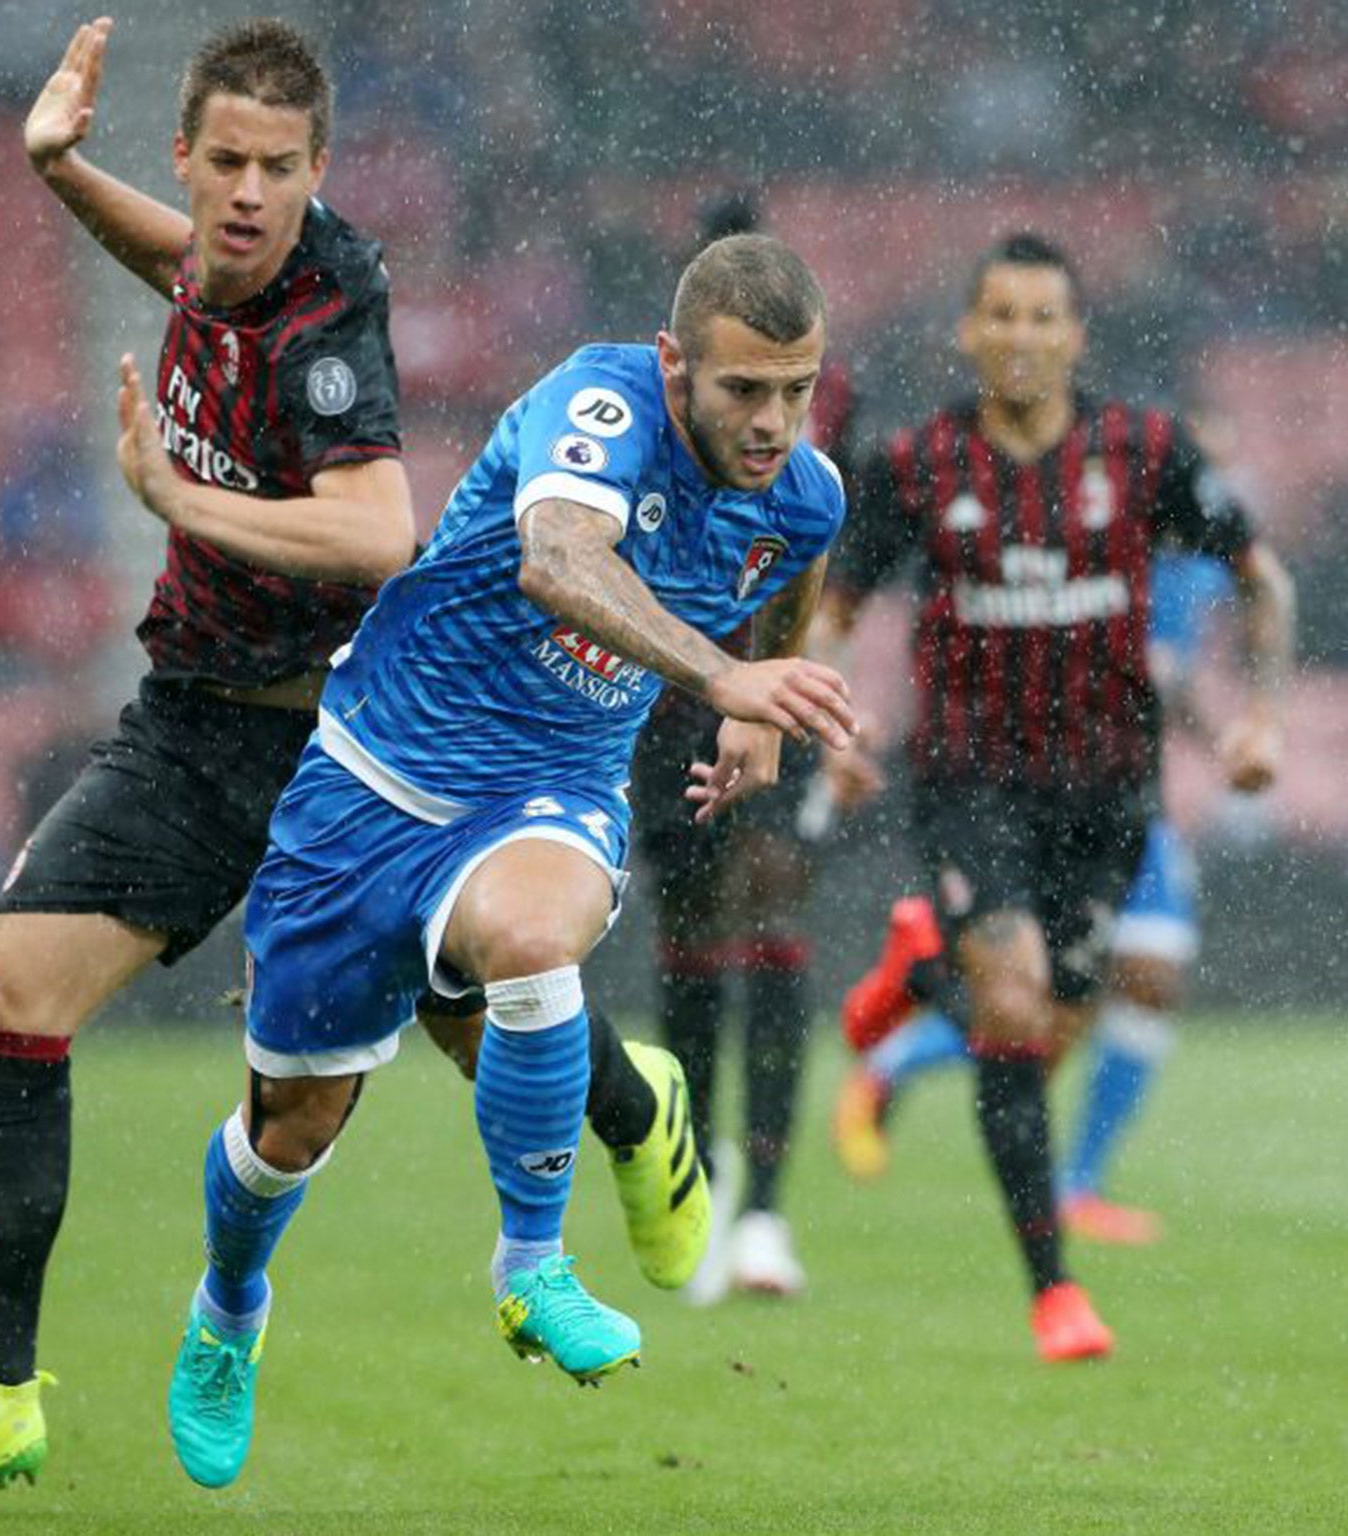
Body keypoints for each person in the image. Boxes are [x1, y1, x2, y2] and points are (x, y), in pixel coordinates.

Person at [0, 18, 700, 1507]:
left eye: (276, 170)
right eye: (223, 162)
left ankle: (641, 1114)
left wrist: (176, 496)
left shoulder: (331, 319)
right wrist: (57, 175)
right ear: (186, 153)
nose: (244, 193)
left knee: (458, 1047)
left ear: (321, 173)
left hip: (360, 750)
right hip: (194, 723)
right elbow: (191, 267)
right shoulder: (223, 258)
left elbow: (377, 533)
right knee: (5, 1000)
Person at [161, 233, 853, 1489]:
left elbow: (790, 567)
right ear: (672, 364)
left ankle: (531, 1267)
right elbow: (558, 560)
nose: (771, 422)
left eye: (796, 389)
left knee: (535, 944)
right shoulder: (599, 398)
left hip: (554, 783)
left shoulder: (805, 492)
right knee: (287, 1135)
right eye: (744, 389)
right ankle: (227, 1312)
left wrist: (752, 706)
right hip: (373, 778)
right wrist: (723, 675)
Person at [817, 233, 1294, 1363]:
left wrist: (1260, 718)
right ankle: (1053, 1293)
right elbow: (832, 611)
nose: (1021, 337)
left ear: (1075, 336)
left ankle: (916, 976)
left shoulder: (1147, 451)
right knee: (1016, 1007)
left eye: (1043, 317)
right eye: (1001, 315)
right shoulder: (916, 463)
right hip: (970, 779)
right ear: (967, 332)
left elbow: (1258, 577)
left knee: (1056, 1022)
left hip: (1109, 791)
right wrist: (829, 723)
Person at [832, 550, 1239, 1253]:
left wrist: (1221, 730)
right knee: (1049, 1000)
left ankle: (1072, 1180)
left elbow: (1175, 669)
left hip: (1129, 797)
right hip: (1061, 794)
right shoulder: (1105, 521)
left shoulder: (1201, 561)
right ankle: (903, 1055)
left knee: (1129, 990)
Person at [626, 192, 859, 1305]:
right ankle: (700, 1175)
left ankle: (765, 1210)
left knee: (769, 913)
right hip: (663, 693)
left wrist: (789, 692)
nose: (769, 413)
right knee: (687, 927)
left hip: (769, 681)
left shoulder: (824, 407)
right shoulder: (646, 406)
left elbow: (828, 541)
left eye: (791, 389)